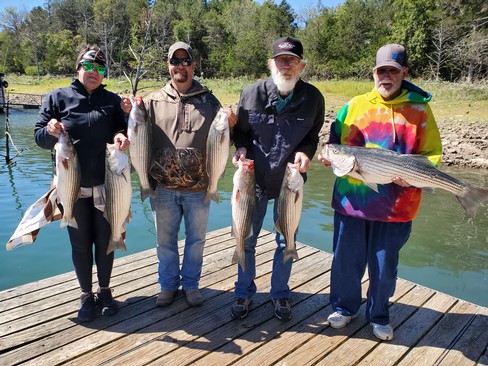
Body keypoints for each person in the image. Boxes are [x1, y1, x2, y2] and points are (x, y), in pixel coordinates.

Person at [318, 44, 442, 340]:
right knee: (345, 260)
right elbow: (334, 144)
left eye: (393, 71)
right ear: (373, 73)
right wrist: (328, 157)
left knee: (384, 265)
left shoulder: (420, 110)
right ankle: (344, 308)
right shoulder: (353, 105)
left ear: (404, 73)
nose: (386, 76)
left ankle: (379, 314)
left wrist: (412, 178)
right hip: (351, 203)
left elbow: (432, 154)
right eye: (381, 70)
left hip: (397, 206)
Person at [230, 36, 325, 321]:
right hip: (253, 182)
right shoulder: (251, 94)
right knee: (246, 239)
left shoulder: (313, 98)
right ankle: (244, 292)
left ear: (301, 66)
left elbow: (312, 137)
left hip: (289, 183)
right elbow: (242, 133)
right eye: (281, 60)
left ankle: (280, 293)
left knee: (286, 242)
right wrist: (241, 149)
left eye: (292, 61)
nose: (286, 65)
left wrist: (307, 154)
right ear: (271, 63)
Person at [135, 41, 235, 308]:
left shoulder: (210, 101)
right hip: (163, 188)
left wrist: (232, 125)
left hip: (200, 188)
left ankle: (191, 285)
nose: (180, 66)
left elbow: (223, 140)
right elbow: (137, 136)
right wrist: (130, 113)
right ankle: (168, 286)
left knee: (196, 241)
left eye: (185, 61)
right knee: (164, 242)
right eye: (175, 61)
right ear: (169, 66)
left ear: (193, 65)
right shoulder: (152, 101)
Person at [34, 45, 130, 322]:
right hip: (72, 187)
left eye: (101, 69)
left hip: (106, 186)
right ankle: (86, 294)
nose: (94, 73)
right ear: (78, 68)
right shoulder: (57, 97)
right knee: (79, 244)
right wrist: (50, 132)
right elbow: (39, 139)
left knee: (106, 241)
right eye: (89, 66)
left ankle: (105, 290)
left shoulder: (111, 101)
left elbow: (120, 131)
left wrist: (122, 136)